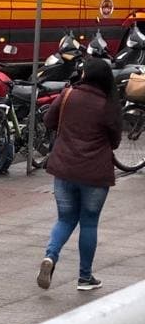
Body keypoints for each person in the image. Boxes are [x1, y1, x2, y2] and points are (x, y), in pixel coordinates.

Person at [37, 57, 122, 292]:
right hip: (95, 174)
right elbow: (114, 141)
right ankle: (85, 278)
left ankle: (50, 257)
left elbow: (48, 120)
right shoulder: (108, 103)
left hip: (64, 169)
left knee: (64, 219)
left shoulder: (68, 95)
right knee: (89, 223)